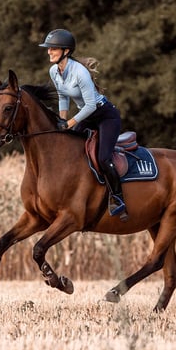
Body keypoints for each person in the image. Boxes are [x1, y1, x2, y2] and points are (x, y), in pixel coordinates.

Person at [39, 28, 128, 221]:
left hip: (105, 115)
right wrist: (62, 120)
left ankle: (117, 198)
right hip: (86, 115)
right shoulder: (54, 70)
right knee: (71, 149)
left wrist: (70, 123)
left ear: (66, 51)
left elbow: (90, 105)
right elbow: (63, 96)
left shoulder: (79, 72)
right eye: (48, 48)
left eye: (53, 48)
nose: (49, 52)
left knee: (104, 158)